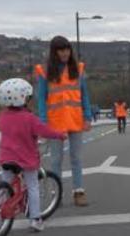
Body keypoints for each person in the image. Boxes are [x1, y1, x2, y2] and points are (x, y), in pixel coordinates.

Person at [0, 78, 67, 232]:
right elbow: (44, 131)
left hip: (6, 159)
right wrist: (60, 135)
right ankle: (35, 219)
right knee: (33, 187)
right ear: (23, 98)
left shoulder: (2, 117)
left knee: (5, 187)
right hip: (25, 160)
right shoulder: (30, 118)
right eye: (28, 97)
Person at [35, 36, 93, 207]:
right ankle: (56, 195)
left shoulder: (78, 69)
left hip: (75, 120)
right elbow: (41, 99)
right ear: (54, 52)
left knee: (76, 158)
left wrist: (87, 116)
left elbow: (84, 96)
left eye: (67, 49)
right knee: (56, 160)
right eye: (61, 50)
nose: (65, 53)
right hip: (55, 122)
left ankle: (79, 192)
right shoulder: (45, 72)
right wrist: (43, 122)